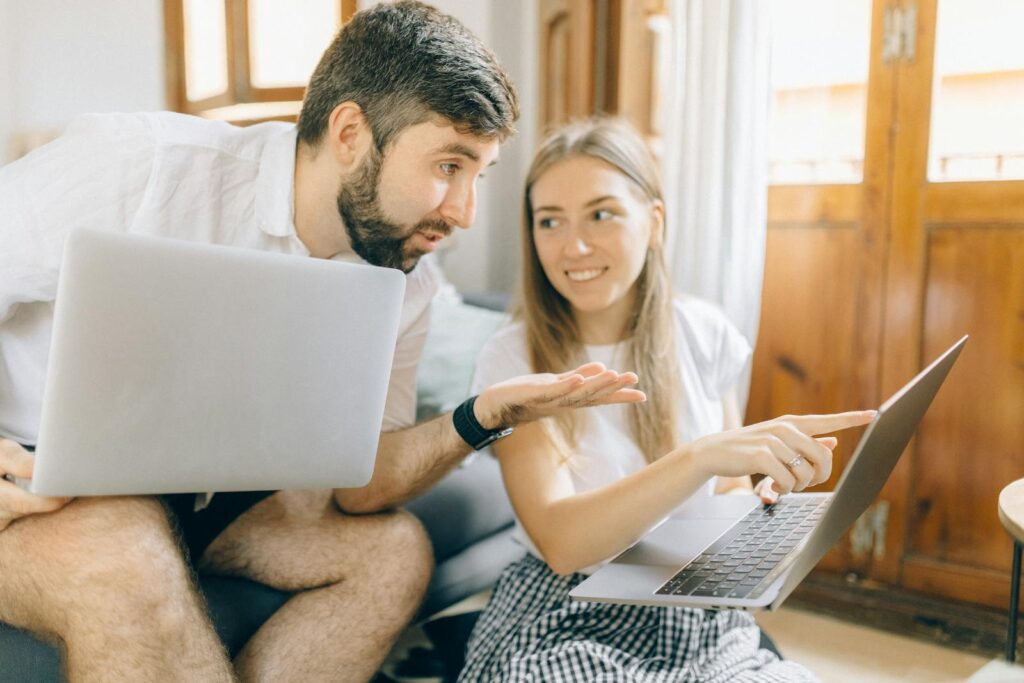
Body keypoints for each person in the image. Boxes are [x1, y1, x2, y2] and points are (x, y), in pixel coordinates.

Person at [0, 4, 645, 681]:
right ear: (349, 133)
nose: (464, 211)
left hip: (210, 494)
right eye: (449, 165)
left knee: (393, 552)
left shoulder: (403, 277)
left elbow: (361, 487)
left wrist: (481, 414)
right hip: (37, 484)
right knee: (128, 560)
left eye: (477, 174)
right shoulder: (143, 167)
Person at [458, 118, 876, 682]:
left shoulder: (704, 332)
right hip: (566, 612)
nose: (573, 246)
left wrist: (766, 500)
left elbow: (727, 487)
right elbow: (562, 543)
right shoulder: (513, 360)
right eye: (549, 221)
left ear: (653, 223)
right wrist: (698, 457)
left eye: (601, 214)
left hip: (692, 605)